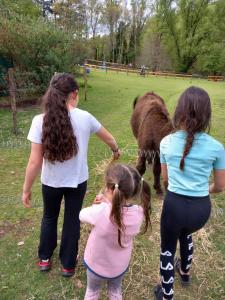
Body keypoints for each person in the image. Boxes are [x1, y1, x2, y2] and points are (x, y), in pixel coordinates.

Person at [22, 73, 120, 277]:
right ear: (74, 93)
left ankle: (45, 258)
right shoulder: (85, 117)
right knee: (71, 219)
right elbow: (109, 138)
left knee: (49, 217)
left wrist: (26, 189)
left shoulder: (39, 120)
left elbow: (34, 161)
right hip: (77, 182)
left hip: (50, 183)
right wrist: (115, 150)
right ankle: (68, 264)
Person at [154, 86, 225, 300]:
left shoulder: (166, 143)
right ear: (206, 114)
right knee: (187, 233)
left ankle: (167, 294)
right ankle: (184, 272)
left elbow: (165, 180)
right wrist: (206, 190)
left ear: (179, 111)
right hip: (200, 211)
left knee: (167, 248)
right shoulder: (217, 148)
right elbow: (220, 186)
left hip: (174, 207)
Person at [79, 163, 151, 300]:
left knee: (92, 291)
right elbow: (117, 209)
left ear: (111, 190)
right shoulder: (139, 213)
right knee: (115, 291)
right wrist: (107, 202)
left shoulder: (100, 212)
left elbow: (82, 215)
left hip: (96, 265)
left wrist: (98, 205)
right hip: (119, 266)